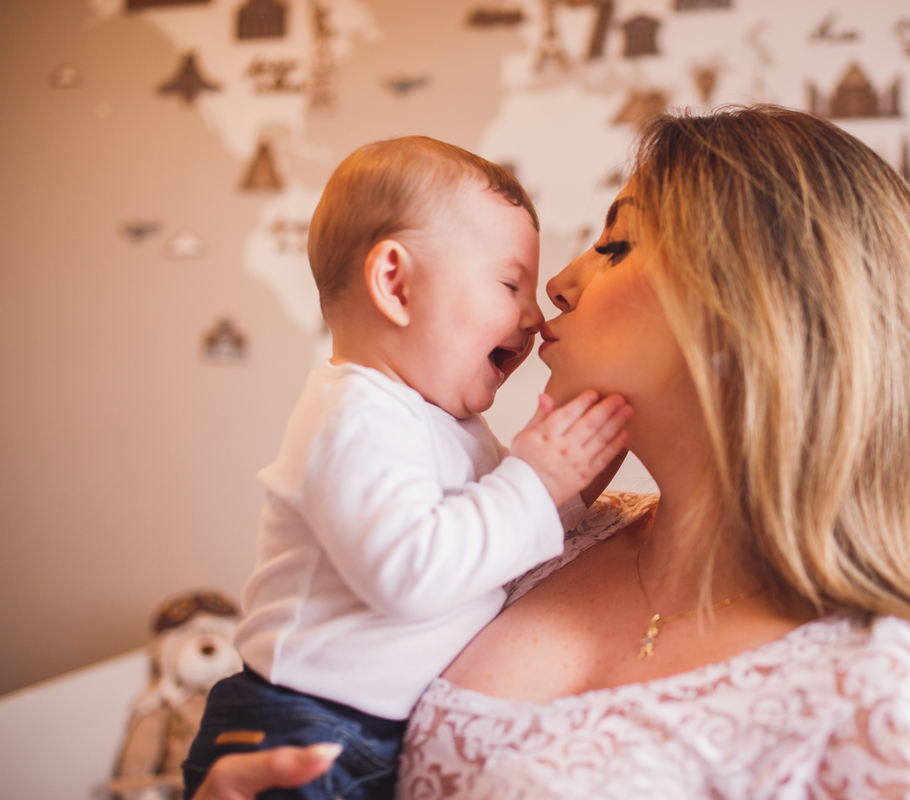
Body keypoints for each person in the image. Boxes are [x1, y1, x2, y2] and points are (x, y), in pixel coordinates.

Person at [193, 107, 910, 799]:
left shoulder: (894, 695)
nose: (556, 285)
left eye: (616, 247)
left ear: (747, 319)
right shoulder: (556, 539)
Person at [182, 137, 632, 800]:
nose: (533, 317)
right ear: (394, 283)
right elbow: (412, 572)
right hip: (296, 727)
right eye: (510, 284)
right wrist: (536, 479)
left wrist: (572, 481)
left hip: (364, 728)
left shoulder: (446, 424)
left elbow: (495, 550)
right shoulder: (356, 415)